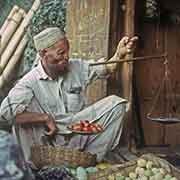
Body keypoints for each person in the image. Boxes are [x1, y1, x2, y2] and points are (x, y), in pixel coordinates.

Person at [0, 27, 138, 164]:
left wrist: (119, 55)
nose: (67, 57)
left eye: (67, 51)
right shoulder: (29, 82)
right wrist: (44, 118)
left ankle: (88, 160)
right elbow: (5, 113)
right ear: (43, 54)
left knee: (117, 105)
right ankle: (37, 165)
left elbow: (106, 68)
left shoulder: (74, 67)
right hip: (48, 144)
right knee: (19, 123)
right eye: (61, 53)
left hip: (77, 136)